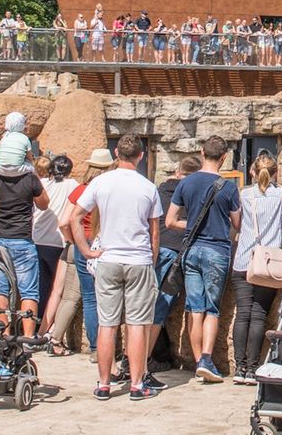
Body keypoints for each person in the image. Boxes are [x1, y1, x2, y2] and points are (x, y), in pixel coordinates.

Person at [69, 135, 163, 401]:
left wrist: (86, 249)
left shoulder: (100, 182)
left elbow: (75, 217)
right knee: (136, 324)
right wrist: (151, 261)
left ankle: (104, 383)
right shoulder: (148, 187)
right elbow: (154, 233)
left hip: (109, 257)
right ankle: (136, 384)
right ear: (141, 156)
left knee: (107, 324)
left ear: (116, 153)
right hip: (138, 259)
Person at [166, 136, 241, 383]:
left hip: (191, 248)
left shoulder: (186, 183)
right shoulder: (228, 186)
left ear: (201, 152)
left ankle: (198, 361)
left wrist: (191, 226)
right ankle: (207, 359)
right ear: (223, 158)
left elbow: (170, 221)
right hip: (217, 249)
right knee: (212, 309)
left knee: (194, 308)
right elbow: (237, 223)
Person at [231, 152, 282, 384]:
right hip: (268, 261)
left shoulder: (244, 195)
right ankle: (253, 368)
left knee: (242, 314)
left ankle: (239, 367)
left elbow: (236, 222)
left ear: (252, 173)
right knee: (259, 315)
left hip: (243, 260)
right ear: (276, 172)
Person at [0, 138, 49, 338]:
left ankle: (3, 334)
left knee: (0, 290)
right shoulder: (29, 179)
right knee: (28, 291)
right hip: (21, 238)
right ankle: (28, 336)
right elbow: (44, 203)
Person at [148, 155, 200, 372]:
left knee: (147, 305)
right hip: (177, 251)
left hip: (158, 250)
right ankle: (142, 359)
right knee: (159, 308)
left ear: (178, 172)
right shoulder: (194, 193)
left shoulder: (159, 191)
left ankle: (136, 357)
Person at [62, 149, 116, 356]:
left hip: (83, 243)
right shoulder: (110, 189)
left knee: (90, 297)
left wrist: (73, 240)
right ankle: (109, 348)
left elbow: (64, 221)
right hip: (104, 241)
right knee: (109, 297)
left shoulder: (81, 190)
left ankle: (96, 348)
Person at [31, 155, 76, 339]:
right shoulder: (72, 185)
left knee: (40, 286)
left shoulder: (42, 184)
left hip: (38, 238)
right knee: (57, 288)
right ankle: (49, 327)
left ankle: (35, 323)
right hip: (58, 241)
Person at [0, 111, 33, 176]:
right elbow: (29, 157)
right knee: (31, 167)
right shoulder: (25, 138)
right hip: (17, 170)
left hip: (1, 170)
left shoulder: (4, 137)